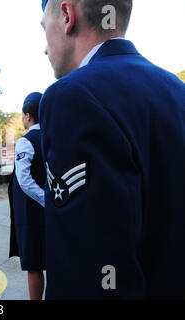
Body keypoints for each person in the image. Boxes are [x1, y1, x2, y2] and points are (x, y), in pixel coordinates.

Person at [39, 0, 185, 299]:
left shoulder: (72, 95)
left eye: (44, 29)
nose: (44, 48)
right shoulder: (176, 89)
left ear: (67, 15)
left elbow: (89, 276)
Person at [8, 92, 46, 300]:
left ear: (28, 115)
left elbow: (24, 180)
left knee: (34, 264)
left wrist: (44, 200)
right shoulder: (54, 138)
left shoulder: (26, 141)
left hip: (32, 212)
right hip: (54, 207)